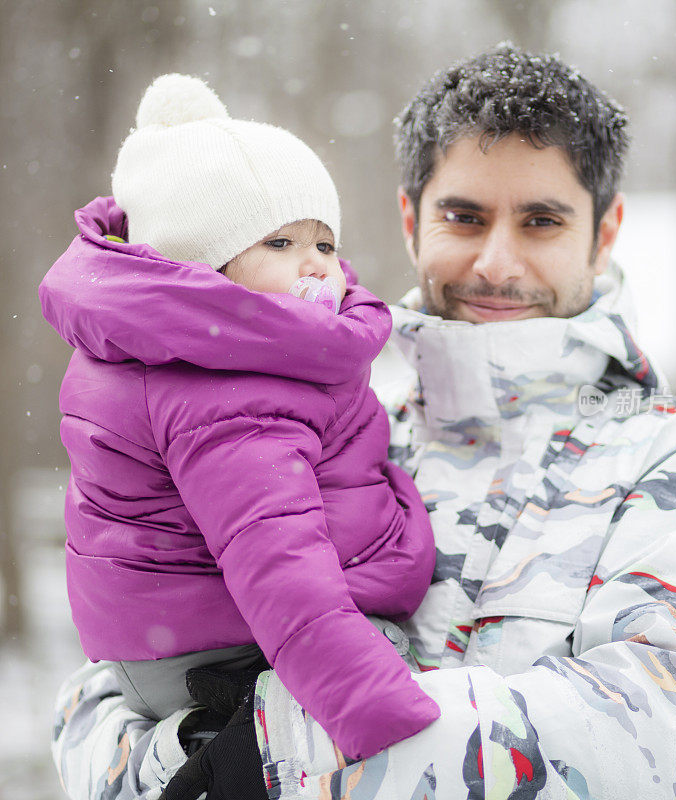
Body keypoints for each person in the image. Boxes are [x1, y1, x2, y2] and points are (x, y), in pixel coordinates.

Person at [48, 46, 676, 800]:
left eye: (541, 221)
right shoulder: (340, 423)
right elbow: (95, 700)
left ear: (605, 230)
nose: (497, 261)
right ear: (410, 217)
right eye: (465, 216)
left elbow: (644, 737)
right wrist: (191, 758)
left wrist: (276, 751)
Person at [39, 72, 441, 765]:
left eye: (322, 242)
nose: (315, 265)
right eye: (279, 245)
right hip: (226, 652)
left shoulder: (178, 349)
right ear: (204, 268)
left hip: (174, 637)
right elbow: (277, 558)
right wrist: (377, 711)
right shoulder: (230, 388)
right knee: (403, 656)